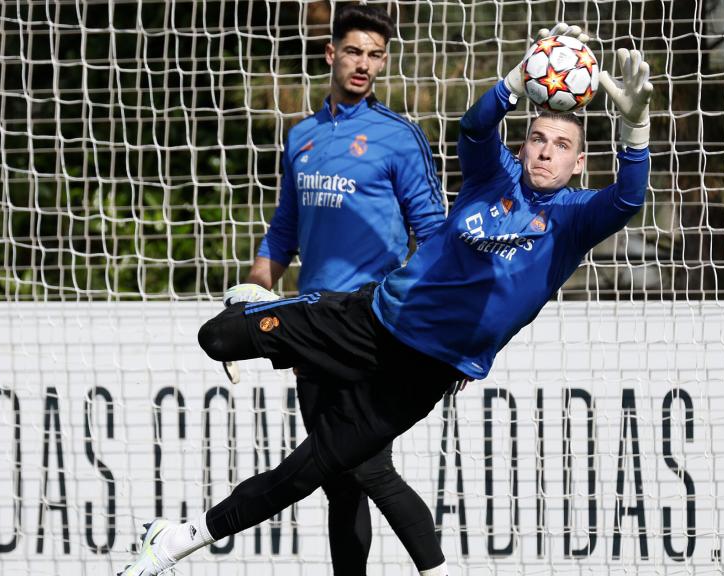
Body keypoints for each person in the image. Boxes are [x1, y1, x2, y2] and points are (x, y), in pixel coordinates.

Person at [118, 22, 653, 575]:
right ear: (521, 148)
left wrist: (635, 129)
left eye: (562, 145)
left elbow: (629, 198)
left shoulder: (573, 218)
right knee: (217, 336)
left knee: (315, 473)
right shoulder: (490, 180)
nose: (547, 153)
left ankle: (179, 538)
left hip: (420, 374)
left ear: (579, 163)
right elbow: (473, 128)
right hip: (366, 319)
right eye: (537, 139)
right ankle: (260, 319)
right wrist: (518, 77)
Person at [117, 4, 448, 576]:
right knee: (339, 481)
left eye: (375, 55)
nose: (364, 64)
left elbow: (436, 235)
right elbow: (285, 230)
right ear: (331, 54)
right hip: (309, 326)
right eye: (354, 52)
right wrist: (255, 283)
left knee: (367, 470)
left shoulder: (398, 138)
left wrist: (413, 309)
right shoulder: (303, 137)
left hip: (369, 329)